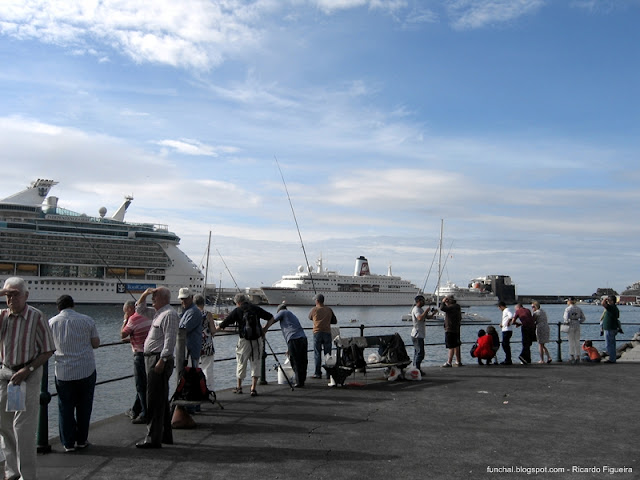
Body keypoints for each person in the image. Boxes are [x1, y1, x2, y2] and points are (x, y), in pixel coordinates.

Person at [0, 277, 55, 480]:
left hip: (29, 372)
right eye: (8, 294)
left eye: (15, 294)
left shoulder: (36, 317)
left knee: (23, 427)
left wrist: (28, 369)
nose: (11, 299)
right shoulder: (2, 316)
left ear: (26, 296)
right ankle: (11, 470)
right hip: (6, 372)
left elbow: (48, 349)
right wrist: (2, 292)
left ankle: (27, 476)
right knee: (3, 423)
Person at [48, 295, 101, 452]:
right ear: (73, 305)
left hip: (63, 372)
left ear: (58, 308)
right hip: (86, 369)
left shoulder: (51, 322)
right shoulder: (87, 320)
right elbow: (96, 344)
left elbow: (48, 347)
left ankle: (68, 443)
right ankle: (82, 440)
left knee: (65, 407)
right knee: (84, 407)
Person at [135, 287, 179, 449]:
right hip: (153, 358)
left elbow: (170, 340)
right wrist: (145, 294)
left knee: (153, 399)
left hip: (158, 359)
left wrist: (162, 360)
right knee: (161, 399)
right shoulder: (158, 314)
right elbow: (139, 309)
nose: (152, 300)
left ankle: (153, 438)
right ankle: (165, 436)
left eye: (154, 297)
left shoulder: (169, 315)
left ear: (163, 298)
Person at [216, 293, 273, 396]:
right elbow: (271, 318)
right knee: (256, 362)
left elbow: (225, 323)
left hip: (244, 341)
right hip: (257, 339)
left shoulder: (237, 310)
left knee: (241, 362)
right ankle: (253, 388)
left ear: (238, 302)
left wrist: (214, 331)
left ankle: (239, 387)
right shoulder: (255, 308)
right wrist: (265, 329)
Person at [121, 299, 153, 424]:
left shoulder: (133, 319)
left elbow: (122, 334)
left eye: (125, 311)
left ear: (129, 309)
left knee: (140, 385)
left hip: (139, 355)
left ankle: (145, 413)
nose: (125, 313)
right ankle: (135, 409)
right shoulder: (147, 317)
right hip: (149, 354)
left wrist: (125, 320)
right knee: (144, 383)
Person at [263, 304, 308, 387]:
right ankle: (302, 379)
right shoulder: (291, 315)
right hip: (303, 338)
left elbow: (272, 320)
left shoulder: (283, 312)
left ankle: (299, 382)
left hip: (294, 339)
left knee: (295, 360)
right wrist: (289, 349)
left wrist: (264, 329)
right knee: (303, 360)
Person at [308, 294, 337, 379]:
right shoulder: (329, 309)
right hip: (327, 333)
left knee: (317, 353)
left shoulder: (314, 310)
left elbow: (309, 317)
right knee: (328, 354)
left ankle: (318, 373)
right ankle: (329, 373)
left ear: (317, 301)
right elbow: (334, 321)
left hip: (317, 332)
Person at [194, 294, 217, 389]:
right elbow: (213, 330)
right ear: (203, 303)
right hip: (207, 344)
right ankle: (208, 390)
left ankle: (195, 389)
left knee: (193, 368)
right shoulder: (208, 314)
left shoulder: (192, 313)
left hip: (195, 343)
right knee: (207, 369)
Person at [178, 288, 203, 368]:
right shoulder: (186, 311)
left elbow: (183, 329)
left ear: (192, 298)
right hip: (186, 351)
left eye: (186, 298)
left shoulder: (194, 311)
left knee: (190, 376)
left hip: (191, 352)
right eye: (182, 299)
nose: (184, 301)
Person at [410, 295, 435, 373]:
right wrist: (426, 311)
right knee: (420, 353)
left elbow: (427, 317)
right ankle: (416, 369)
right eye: (423, 301)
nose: (424, 302)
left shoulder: (420, 309)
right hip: (417, 334)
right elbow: (420, 318)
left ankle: (415, 368)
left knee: (417, 352)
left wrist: (433, 313)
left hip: (420, 334)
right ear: (418, 301)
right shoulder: (416, 309)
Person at [440, 295, 462, 367]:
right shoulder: (457, 307)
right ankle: (458, 361)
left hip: (450, 329)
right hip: (456, 329)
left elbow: (442, 308)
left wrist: (443, 302)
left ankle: (449, 362)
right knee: (456, 345)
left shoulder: (452, 307)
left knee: (451, 346)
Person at [563, 297, 586, 365]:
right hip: (577, 324)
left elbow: (566, 318)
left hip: (571, 325)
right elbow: (583, 318)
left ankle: (572, 356)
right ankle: (578, 356)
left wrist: (567, 322)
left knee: (571, 341)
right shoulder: (578, 309)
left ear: (569, 302)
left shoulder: (568, 309)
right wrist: (579, 321)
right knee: (577, 340)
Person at [600, 295, 621, 364]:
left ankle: (611, 359)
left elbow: (603, 304)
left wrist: (605, 299)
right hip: (613, 327)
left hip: (609, 328)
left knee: (609, 344)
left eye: (609, 300)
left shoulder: (611, 307)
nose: (607, 301)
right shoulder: (615, 308)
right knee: (612, 344)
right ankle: (613, 358)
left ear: (612, 301)